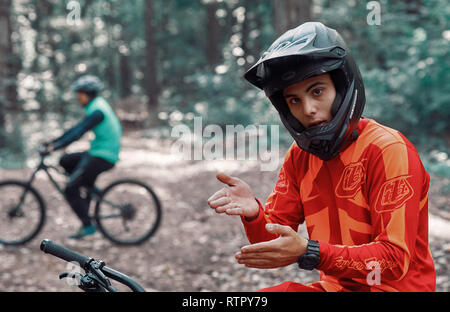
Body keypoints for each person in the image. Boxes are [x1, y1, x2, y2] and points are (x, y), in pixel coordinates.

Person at [207, 22, 435, 292]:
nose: (308, 109)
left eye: (317, 91)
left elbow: (394, 259)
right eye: (294, 100)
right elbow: (275, 242)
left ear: (342, 87)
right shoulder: (300, 157)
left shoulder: (388, 151)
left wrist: (311, 251)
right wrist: (255, 214)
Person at [41, 75, 122, 239]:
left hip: (103, 156)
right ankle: (88, 187)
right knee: (65, 160)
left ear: (88, 94)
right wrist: (52, 142)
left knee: (70, 188)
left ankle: (88, 226)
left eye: (80, 94)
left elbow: (79, 132)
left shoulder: (97, 110)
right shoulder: (96, 106)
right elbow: (75, 128)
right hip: (98, 152)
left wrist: (54, 147)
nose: (78, 98)